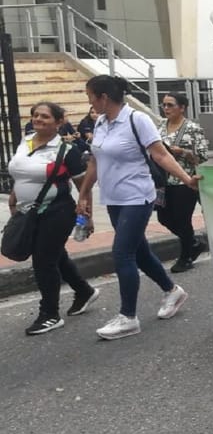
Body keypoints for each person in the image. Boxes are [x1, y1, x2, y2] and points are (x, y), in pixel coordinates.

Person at [76, 75, 198, 340]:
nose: (89, 101)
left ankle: (128, 317)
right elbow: (95, 162)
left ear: (103, 97)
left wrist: (187, 179)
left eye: (90, 96)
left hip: (137, 196)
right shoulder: (100, 123)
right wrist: (83, 195)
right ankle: (172, 291)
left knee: (122, 253)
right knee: (139, 252)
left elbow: (160, 154)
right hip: (112, 198)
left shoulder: (137, 120)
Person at [7, 102, 100, 335]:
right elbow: (20, 172)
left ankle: (50, 314)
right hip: (27, 211)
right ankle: (84, 290)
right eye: (36, 115)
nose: (38, 119)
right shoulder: (25, 141)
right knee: (55, 256)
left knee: (43, 261)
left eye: (45, 117)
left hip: (57, 212)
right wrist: (14, 197)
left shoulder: (67, 151)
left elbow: (83, 186)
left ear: (59, 122)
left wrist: (86, 215)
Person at [157, 92, 209, 273]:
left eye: (170, 105)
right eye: (164, 105)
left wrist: (183, 152)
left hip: (184, 181)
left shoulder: (192, 128)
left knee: (182, 219)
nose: (166, 109)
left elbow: (201, 156)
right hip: (163, 180)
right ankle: (193, 242)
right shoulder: (161, 126)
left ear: (182, 107)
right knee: (163, 217)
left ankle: (186, 256)